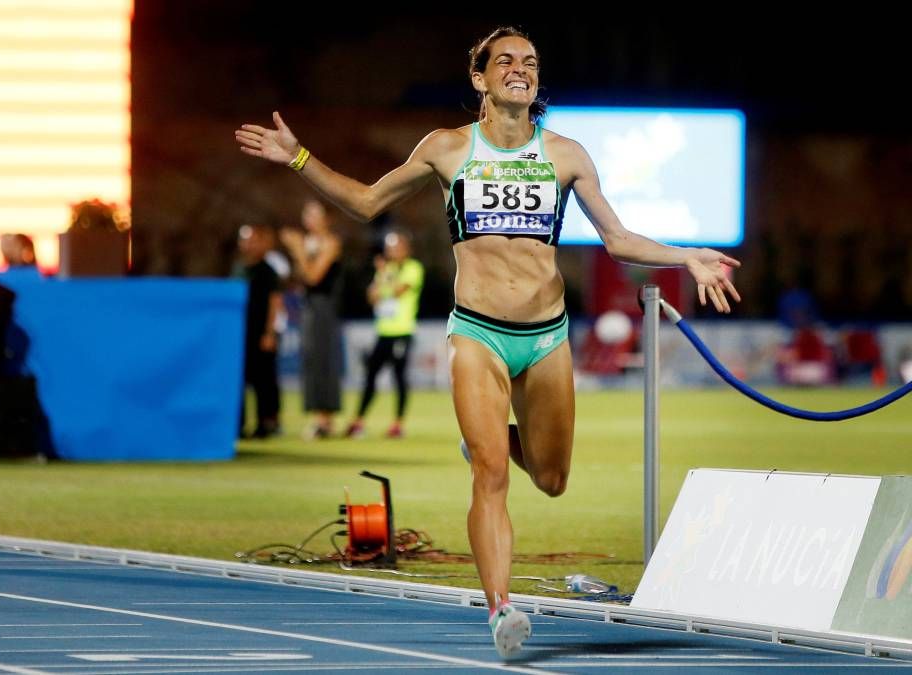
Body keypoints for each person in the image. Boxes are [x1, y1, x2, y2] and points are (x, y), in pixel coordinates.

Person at [236, 26, 741, 659]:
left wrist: (686, 257)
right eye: (505, 61)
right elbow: (366, 203)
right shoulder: (446, 149)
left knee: (552, 478)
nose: (520, 70)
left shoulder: (566, 154)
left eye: (529, 62)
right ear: (480, 78)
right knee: (492, 474)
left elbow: (617, 239)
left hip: (546, 336)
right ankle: (503, 608)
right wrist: (299, 158)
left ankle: (488, 439)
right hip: (477, 333)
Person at [345, 229, 424, 439]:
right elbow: (371, 296)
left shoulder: (413, 268)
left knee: (399, 377)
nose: (393, 251)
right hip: (384, 331)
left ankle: (398, 424)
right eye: (390, 248)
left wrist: (385, 279)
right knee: (370, 375)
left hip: (402, 332)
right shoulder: (386, 269)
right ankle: (358, 421)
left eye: (397, 247)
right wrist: (383, 281)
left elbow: (399, 290)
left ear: (406, 249)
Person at [281, 200, 344, 439]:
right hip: (308, 306)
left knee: (323, 359)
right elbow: (300, 278)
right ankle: (318, 416)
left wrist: (297, 249)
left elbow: (314, 276)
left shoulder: (330, 242)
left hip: (324, 307)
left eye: (315, 214)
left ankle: (325, 420)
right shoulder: (309, 243)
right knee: (311, 360)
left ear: (327, 219)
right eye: (307, 213)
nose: (310, 219)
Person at [237, 223, 283, 438]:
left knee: (263, 381)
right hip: (239, 335)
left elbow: (275, 302)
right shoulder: (238, 269)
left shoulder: (267, 271)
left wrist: (270, 333)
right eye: (245, 240)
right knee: (239, 381)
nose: (249, 245)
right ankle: (238, 424)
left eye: (253, 240)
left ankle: (266, 423)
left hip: (260, 333)